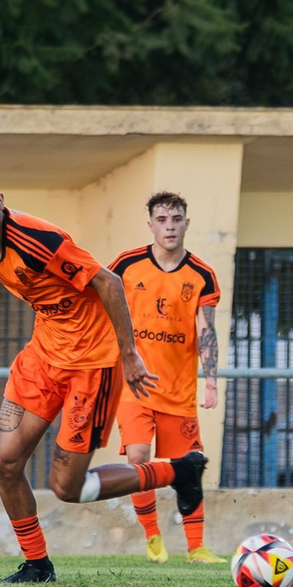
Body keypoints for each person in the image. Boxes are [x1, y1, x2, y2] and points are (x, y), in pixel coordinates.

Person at [0, 164, 206, 582]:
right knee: (4, 462)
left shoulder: (37, 240)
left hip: (92, 365)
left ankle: (178, 471)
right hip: (43, 357)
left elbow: (109, 283)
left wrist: (130, 356)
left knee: (68, 489)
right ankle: (36, 564)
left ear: (1, 201)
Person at [108, 192, 224, 564]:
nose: (169, 226)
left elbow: (207, 330)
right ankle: (153, 538)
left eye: (176, 219)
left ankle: (196, 547)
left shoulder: (202, 274)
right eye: (162, 219)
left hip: (179, 391)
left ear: (186, 224)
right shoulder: (127, 265)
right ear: (151, 225)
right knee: (139, 457)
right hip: (133, 386)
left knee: (189, 467)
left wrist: (211, 379)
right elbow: (103, 305)